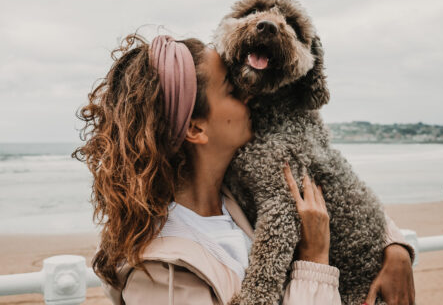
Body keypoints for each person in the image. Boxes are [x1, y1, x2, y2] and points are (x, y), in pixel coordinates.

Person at [73, 33, 415, 305]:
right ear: (195, 129)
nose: (252, 94)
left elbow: (337, 187)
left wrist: (394, 248)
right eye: (234, 89)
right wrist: (314, 260)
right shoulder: (162, 275)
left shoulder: (236, 191)